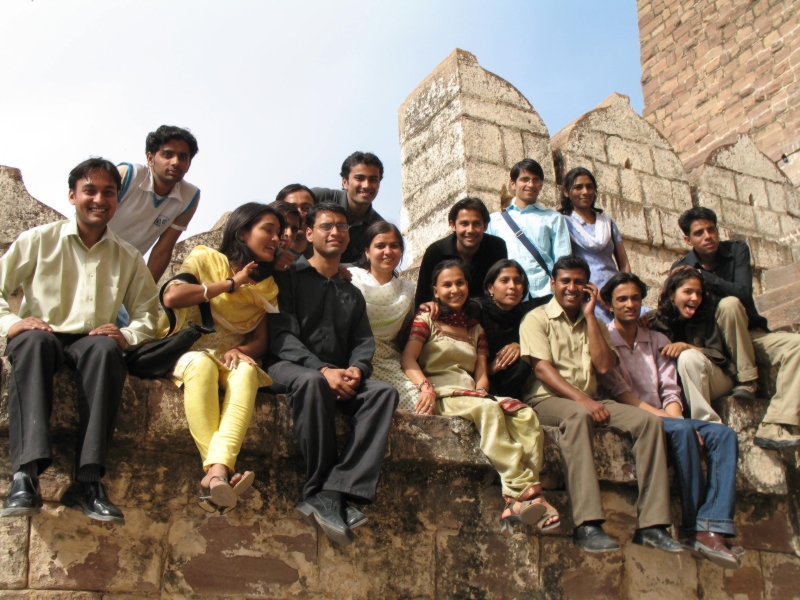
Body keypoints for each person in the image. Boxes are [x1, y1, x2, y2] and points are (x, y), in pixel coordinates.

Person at [0, 158, 159, 521]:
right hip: (46, 333)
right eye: (90, 190)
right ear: (72, 196)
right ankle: (25, 475)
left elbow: (150, 313)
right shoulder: (39, 240)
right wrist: (12, 323)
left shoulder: (127, 256)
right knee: (31, 343)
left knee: (106, 351)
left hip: (91, 339)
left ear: (117, 201)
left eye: (108, 192)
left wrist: (127, 334)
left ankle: (87, 482)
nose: (98, 199)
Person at [519, 255, 682, 553]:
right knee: (579, 417)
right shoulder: (537, 318)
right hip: (547, 400)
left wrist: (592, 316)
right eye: (565, 281)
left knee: (649, 422)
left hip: (591, 399)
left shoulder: (594, 323)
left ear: (588, 286)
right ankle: (587, 524)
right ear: (553, 283)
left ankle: (653, 525)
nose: (572, 287)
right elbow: (542, 369)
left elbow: (605, 366)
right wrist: (584, 401)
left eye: (579, 281)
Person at [267, 202, 399, 546]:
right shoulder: (288, 277)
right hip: (290, 366)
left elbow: (362, 341)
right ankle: (317, 487)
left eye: (342, 226)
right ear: (309, 233)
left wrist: (357, 369)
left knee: (383, 393)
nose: (335, 232)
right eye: (326, 226)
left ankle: (337, 489)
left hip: (340, 372)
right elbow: (281, 334)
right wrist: (322, 369)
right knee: (311, 383)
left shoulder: (351, 292)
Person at [401, 259, 559, 535]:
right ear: (435, 292)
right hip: (441, 392)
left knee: (524, 415)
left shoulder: (476, 329)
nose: (454, 289)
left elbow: (481, 373)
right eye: (447, 285)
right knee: (489, 412)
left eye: (460, 283)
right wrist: (425, 387)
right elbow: (408, 359)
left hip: (471, 394)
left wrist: (483, 391)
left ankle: (517, 496)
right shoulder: (426, 319)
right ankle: (528, 494)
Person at [598, 272, 742, 569]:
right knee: (685, 432)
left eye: (635, 298)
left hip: (667, 416)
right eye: (622, 299)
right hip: (635, 416)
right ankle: (694, 528)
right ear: (610, 305)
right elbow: (623, 395)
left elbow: (671, 390)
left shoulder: (658, 339)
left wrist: (678, 419)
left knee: (723, 435)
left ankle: (712, 523)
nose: (630, 304)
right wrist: (679, 424)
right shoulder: (605, 340)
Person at [160, 203, 283, 514]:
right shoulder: (205, 258)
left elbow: (261, 341)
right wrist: (233, 283)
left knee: (246, 372)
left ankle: (215, 476)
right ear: (242, 232)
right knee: (200, 365)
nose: (276, 238)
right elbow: (172, 296)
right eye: (268, 230)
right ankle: (221, 471)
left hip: (228, 358)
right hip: (187, 352)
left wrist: (240, 352)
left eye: (279, 234)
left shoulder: (268, 288)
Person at [672, 207, 800, 448]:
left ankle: (776, 424)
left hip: (748, 333)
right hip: (714, 344)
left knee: (796, 346)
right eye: (699, 233)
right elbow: (680, 312)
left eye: (711, 229)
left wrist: (702, 277)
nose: (708, 236)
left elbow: (743, 293)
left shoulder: (736, 250)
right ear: (688, 240)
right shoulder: (681, 268)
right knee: (728, 305)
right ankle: (747, 380)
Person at [109, 125, 201, 281]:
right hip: (85, 258)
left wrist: (146, 294)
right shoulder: (128, 175)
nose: (176, 162)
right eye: (168, 154)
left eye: (183, 157)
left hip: (122, 274)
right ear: (150, 158)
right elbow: (89, 217)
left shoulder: (189, 197)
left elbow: (163, 251)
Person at [646, 267, 734, 423]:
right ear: (672, 294)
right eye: (688, 292)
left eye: (699, 293)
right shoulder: (653, 320)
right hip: (678, 391)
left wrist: (687, 347)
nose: (695, 298)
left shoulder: (706, 316)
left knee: (687, 357)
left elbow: (720, 357)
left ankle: (706, 422)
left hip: (715, 379)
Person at [348, 221, 419, 410]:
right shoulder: (349, 279)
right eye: (380, 246)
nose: (388, 251)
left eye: (394, 245)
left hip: (390, 363)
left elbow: (406, 336)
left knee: (418, 404)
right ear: (367, 251)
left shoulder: (408, 291)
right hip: (353, 360)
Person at [487, 159, 571, 298]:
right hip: (508, 298)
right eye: (525, 179)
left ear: (541, 185)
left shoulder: (554, 218)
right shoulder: (495, 221)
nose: (531, 184)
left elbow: (563, 262)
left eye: (536, 180)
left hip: (545, 294)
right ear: (513, 184)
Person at [558, 167, 631, 323]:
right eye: (578, 187)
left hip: (616, 294)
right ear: (566, 192)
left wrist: (624, 290)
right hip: (586, 295)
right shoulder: (563, 223)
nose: (585, 191)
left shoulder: (608, 223)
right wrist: (594, 295)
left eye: (590, 186)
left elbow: (624, 264)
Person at [470, 259, 551, 400]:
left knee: (524, 360)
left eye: (518, 281)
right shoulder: (476, 310)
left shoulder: (528, 313)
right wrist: (489, 368)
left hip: (511, 386)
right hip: (476, 380)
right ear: (490, 287)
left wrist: (521, 346)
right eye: (504, 281)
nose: (512, 286)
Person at [414, 197, 507, 308]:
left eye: (476, 224)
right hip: (445, 317)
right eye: (464, 224)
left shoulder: (496, 247)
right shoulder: (436, 252)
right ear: (453, 225)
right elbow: (423, 299)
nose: (470, 230)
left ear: (485, 226)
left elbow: (500, 290)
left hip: (485, 315)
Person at [312, 152, 386, 263]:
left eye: (373, 180)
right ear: (345, 182)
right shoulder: (318, 198)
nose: (366, 185)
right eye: (359, 178)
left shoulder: (378, 229)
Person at [275, 184, 317, 256]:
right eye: (292, 208)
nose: (300, 214)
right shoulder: (266, 255)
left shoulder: (324, 255)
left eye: (307, 208)